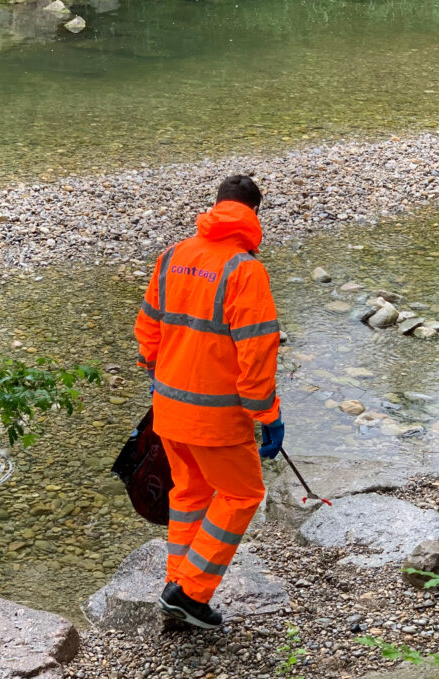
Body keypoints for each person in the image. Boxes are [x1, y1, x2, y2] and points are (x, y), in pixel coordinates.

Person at [134, 175, 284, 628]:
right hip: (216, 419)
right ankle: (190, 592)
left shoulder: (174, 256)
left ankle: (176, 586)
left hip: (169, 410)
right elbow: (256, 351)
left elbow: (148, 332)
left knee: (189, 495)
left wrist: (161, 376)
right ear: (254, 215)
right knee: (242, 494)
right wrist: (268, 415)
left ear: (215, 206)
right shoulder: (245, 270)